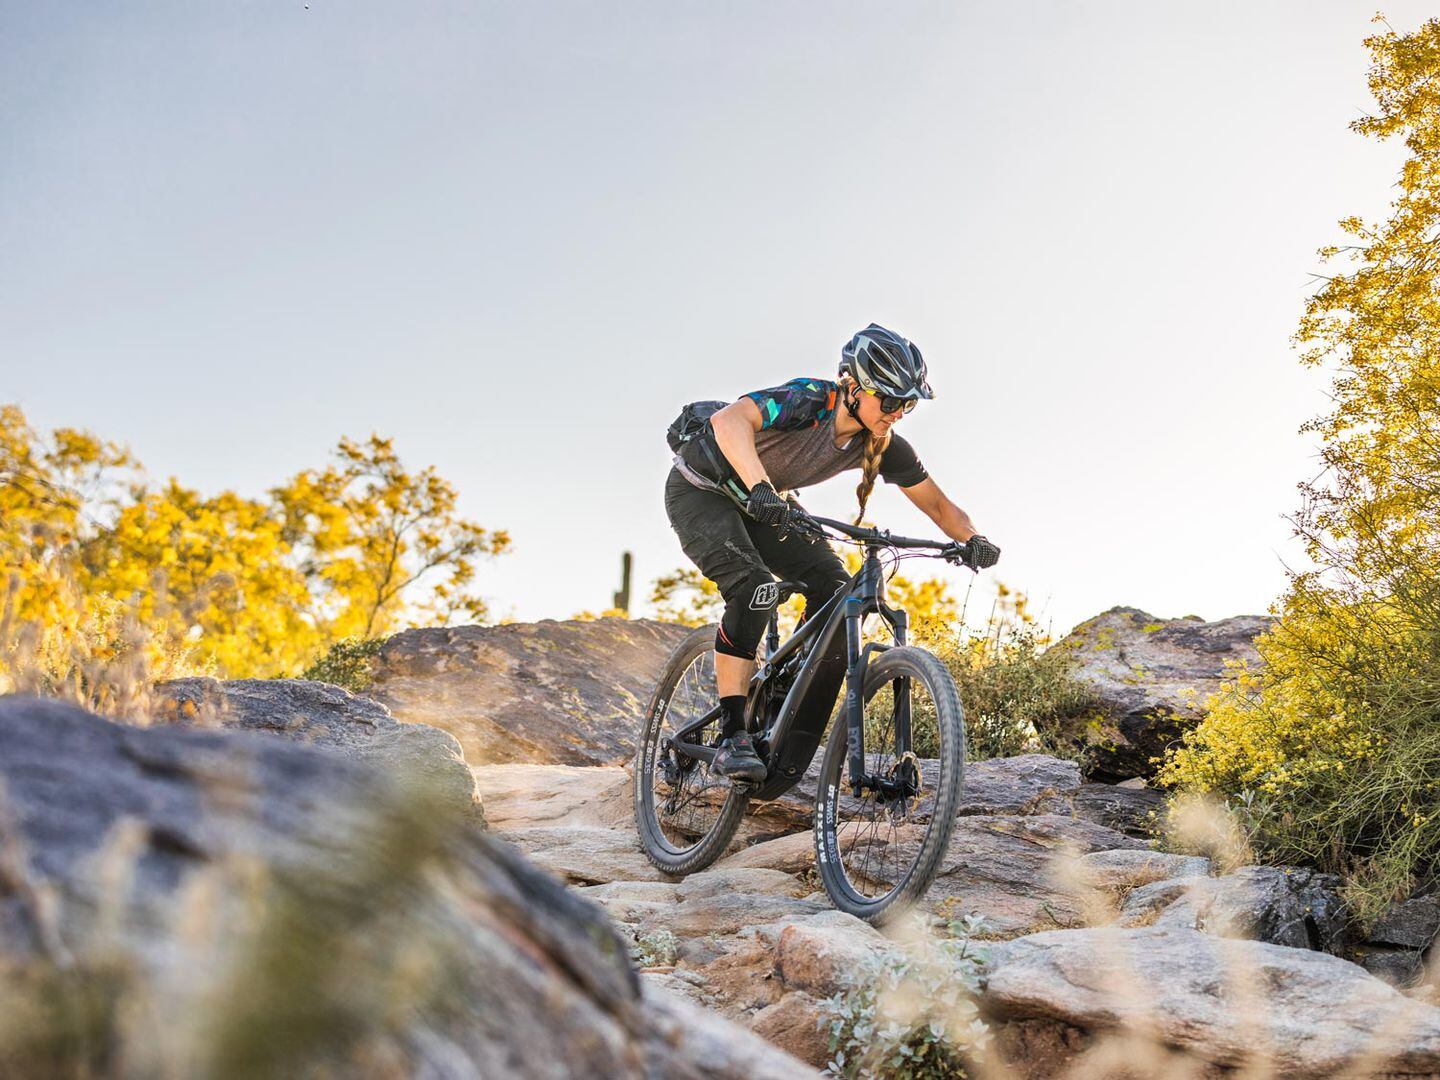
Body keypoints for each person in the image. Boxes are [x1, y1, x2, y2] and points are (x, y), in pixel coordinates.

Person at [664, 323, 1000, 781]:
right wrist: (762, 488)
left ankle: (782, 686)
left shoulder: (881, 444)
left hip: (764, 505)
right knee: (755, 588)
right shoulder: (807, 400)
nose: (899, 412)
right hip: (701, 492)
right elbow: (729, 422)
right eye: (891, 400)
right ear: (855, 388)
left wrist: (973, 539)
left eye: (909, 404)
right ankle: (731, 734)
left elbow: (939, 504)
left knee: (838, 589)